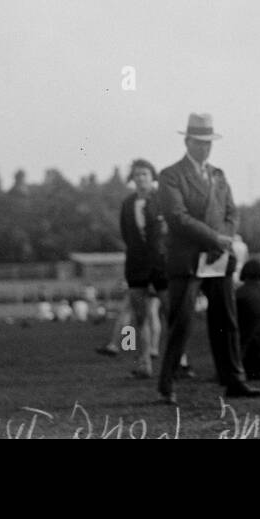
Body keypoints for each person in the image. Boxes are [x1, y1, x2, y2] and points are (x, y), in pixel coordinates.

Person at [156, 113, 260, 405]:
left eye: (208, 143)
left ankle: (234, 380)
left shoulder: (218, 174)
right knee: (182, 321)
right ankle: (167, 383)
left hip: (217, 257)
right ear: (187, 141)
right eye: (199, 142)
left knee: (226, 321)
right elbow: (177, 217)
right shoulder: (170, 175)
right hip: (188, 258)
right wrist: (214, 238)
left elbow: (232, 213)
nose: (205, 148)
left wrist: (224, 240)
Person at [117, 159, 166, 379]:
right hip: (137, 265)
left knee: (171, 312)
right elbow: (126, 234)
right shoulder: (128, 203)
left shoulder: (163, 199)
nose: (140, 178)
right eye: (136, 175)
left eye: (145, 174)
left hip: (162, 264)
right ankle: (144, 362)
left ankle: (181, 360)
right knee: (140, 317)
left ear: (152, 176)